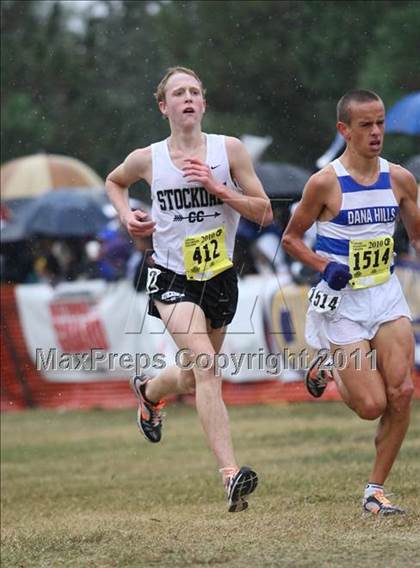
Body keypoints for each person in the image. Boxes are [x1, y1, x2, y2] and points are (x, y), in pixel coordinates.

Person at [106, 66, 273, 512]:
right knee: (207, 368)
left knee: (191, 374)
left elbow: (263, 214)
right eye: (178, 93)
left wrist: (217, 188)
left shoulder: (228, 150)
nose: (187, 98)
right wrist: (127, 215)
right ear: (164, 107)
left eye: (194, 92)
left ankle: (148, 392)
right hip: (170, 277)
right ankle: (231, 474)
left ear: (202, 104)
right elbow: (114, 181)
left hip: (219, 278)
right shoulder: (148, 158)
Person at [282, 89, 420, 516]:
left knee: (402, 392)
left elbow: (416, 235)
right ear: (344, 130)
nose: (376, 132)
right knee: (371, 405)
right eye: (366, 125)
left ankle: (374, 491)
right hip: (340, 303)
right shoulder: (325, 182)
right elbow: (291, 239)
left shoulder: (399, 179)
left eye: (380, 123)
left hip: (385, 295)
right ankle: (328, 365)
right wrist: (323, 265)